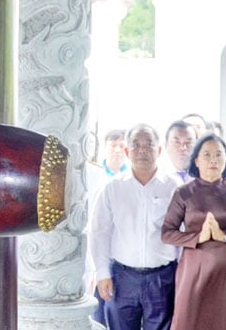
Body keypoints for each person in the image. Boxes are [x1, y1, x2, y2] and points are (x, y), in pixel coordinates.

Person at [90, 124, 180, 330]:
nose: (142, 150)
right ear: (126, 151)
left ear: (158, 150)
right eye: (136, 145)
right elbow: (99, 232)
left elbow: (182, 231)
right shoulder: (113, 188)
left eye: (149, 144)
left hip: (163, 277)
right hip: (122, 277)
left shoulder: (173, 187)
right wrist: (103, 273)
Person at [161, 133, 226, 330]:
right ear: (196, 160)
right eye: (207, 155)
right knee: (188, 321)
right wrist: (198, 237)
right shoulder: (184, 192)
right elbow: (167, 233)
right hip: (194, 270)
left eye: (219, 154)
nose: (213, 160)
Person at [84, 129, 128, 327]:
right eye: (113, 145)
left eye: (122, 146)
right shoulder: (95, 175)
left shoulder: (132, 176)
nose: (117, 150)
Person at [162, 120, 197, 185]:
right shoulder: (158, 175)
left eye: (188, 142)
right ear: (166, 146)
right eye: (177, 142)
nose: (183, 148)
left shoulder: (204, 175)